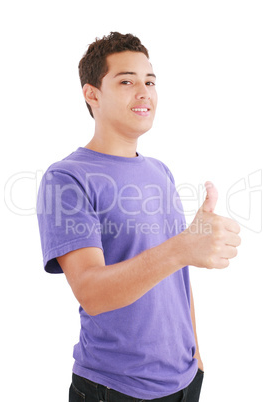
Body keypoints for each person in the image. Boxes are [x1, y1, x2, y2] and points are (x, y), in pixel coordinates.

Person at [37, 32, 241, 402]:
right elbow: (91, 291)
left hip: (184, 380)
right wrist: (182, 248)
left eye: (150, 81)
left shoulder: (160, 171)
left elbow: (178, 275)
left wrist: (196, 356)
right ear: (92, 94)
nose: (144, 91)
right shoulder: (67, 178)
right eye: (127, 81)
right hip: (115, 388)